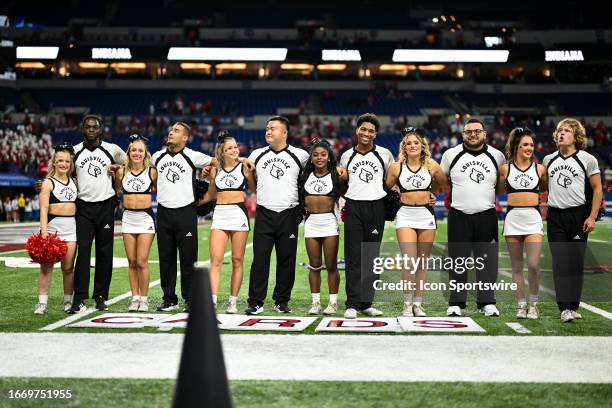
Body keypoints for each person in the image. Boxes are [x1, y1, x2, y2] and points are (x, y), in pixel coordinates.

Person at [440, 118, 505, 317]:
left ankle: (487, 302)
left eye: (477, 131)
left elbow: (501, 187)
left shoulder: (497, 155)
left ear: (485, 133)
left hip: (486, 214)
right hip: (459, 214)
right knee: (457, 261)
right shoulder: (450, 154)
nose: (473, 134)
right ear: (463, 134)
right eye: (469, 131)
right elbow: (442, 181)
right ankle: (456, 302)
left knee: (487, 261)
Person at [245, 116, 309, 315]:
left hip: (289, 212)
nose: (268, 131)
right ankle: (255, 301)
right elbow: (252, 184)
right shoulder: (257, 155)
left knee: (286, 259)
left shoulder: (301, 155)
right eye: (266, 128)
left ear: (285, 132)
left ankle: (282, 300)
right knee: (260, 259)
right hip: (264, 212)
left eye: (272, 128)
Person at [542, 118, 602, 323]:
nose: (561, 134)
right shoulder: (548, 160)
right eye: (559, 131)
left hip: (578, 216)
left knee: (575, 264)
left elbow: (597, 188)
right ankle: (564, 308)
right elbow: (544, 187)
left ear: (576, 136)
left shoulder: (587, 159)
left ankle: (573, 306)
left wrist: (592, 216)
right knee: (560, 263)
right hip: (555, 216)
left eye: (566, 131)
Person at [385, 127, 447, 317]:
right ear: (404, 146)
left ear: (422, 146)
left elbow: (443, 184)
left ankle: (418, 304)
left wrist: (433, 194)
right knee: (409, 261)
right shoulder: (397, 167)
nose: (412, 146)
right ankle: (407, 303)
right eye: (408, 143)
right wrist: (395, 200)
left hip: (426, 215)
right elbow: (385, 189)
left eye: (416, 143)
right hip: (405, 215)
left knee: (422, 262)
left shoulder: (432, 165)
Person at [151, 122, 213, 313]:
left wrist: (208, 171)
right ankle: (169, 298)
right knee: (166, 258)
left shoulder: (193, 155)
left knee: (188, 258)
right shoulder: (157, 156)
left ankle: (190, 297)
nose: (171, 132)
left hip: (186, 212)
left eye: (176, 131)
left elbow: (217, 162)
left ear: (185, 137)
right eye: (171, 130)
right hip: (164, 212)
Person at [339, 113, 394, 319]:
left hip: (376, 208)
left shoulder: (385, 154)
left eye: (371, 131)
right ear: (357, 130)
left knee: (371, 257)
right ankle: (352, 304)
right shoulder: (346, 155)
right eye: (363, 129)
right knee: (353, 257)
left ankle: (366, 303)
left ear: (376, 134)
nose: (366, 133)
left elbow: (392, 180)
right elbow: (343, 185)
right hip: (353, 207)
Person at [69, 116, 125, 314]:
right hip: (83, 207)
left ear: (101, 129)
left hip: (106, 206)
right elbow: (63, 174)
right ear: (82, 128)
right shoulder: (74, 151)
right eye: (88, 127)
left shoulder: (112, 149)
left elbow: (133, 164)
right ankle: (79, 296)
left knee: (104, 252)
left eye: (95, 127)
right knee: (83, 251)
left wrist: (118, 169)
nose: (91, 129)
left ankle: (101, 295)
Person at [497, 128, 547, 319]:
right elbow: (500, 191)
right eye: (525, 144)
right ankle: (521, 305)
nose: (529, 148)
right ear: (517, 146)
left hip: (533, 219)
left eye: (532, 145)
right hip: (513, 219)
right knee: (517, 266)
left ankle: (534, 304)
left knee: (533, 265)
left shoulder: (540, 169)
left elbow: (544, 188)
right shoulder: (505, 169)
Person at [205, 131, 256, 313]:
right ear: (222, 151)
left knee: (237, 260)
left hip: (238, 213)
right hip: (220, 214)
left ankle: (232, 301)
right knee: (216, 260)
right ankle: (212, 300)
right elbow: (211, 194)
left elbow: (254, 189)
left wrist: (246, 167)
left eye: (236, 147)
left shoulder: (244, 166)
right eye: (230, 148)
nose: (234, 150)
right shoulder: (215, 168)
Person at [115, 134, 157, 312]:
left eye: (140, 150)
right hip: (128, 218)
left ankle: (145, 299)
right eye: (134, 150)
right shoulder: (121, 171)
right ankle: (135, 297)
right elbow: (115, 190)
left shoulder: (152, 172)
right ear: (128, 152)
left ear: (145, 153)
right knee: (131, 261)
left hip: (145, 218)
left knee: (142, 261)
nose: (137, 153)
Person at [300, 140, 342, 315]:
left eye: (323, 155)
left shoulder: (336, 175)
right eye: (315, 155)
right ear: (311, 158)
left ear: (329, 157)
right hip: (311, 223)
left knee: (331, 265)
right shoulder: (304, 176)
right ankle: (315, 302)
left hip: (329, 222)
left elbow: (346, 192)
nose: (319, 158)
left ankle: (333, 302)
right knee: (314, 265)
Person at [35, 145, 77, 314]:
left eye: (67, 161)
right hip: (52, 230)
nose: (63, 164)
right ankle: (42, 303)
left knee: (68, 268)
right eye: (60, 161)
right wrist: (44, 234)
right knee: (46, 268)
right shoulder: (47, 183)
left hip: (71, 230)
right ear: (54, 163)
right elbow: (44, 210)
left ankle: (68, 302)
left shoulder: (74, 182)